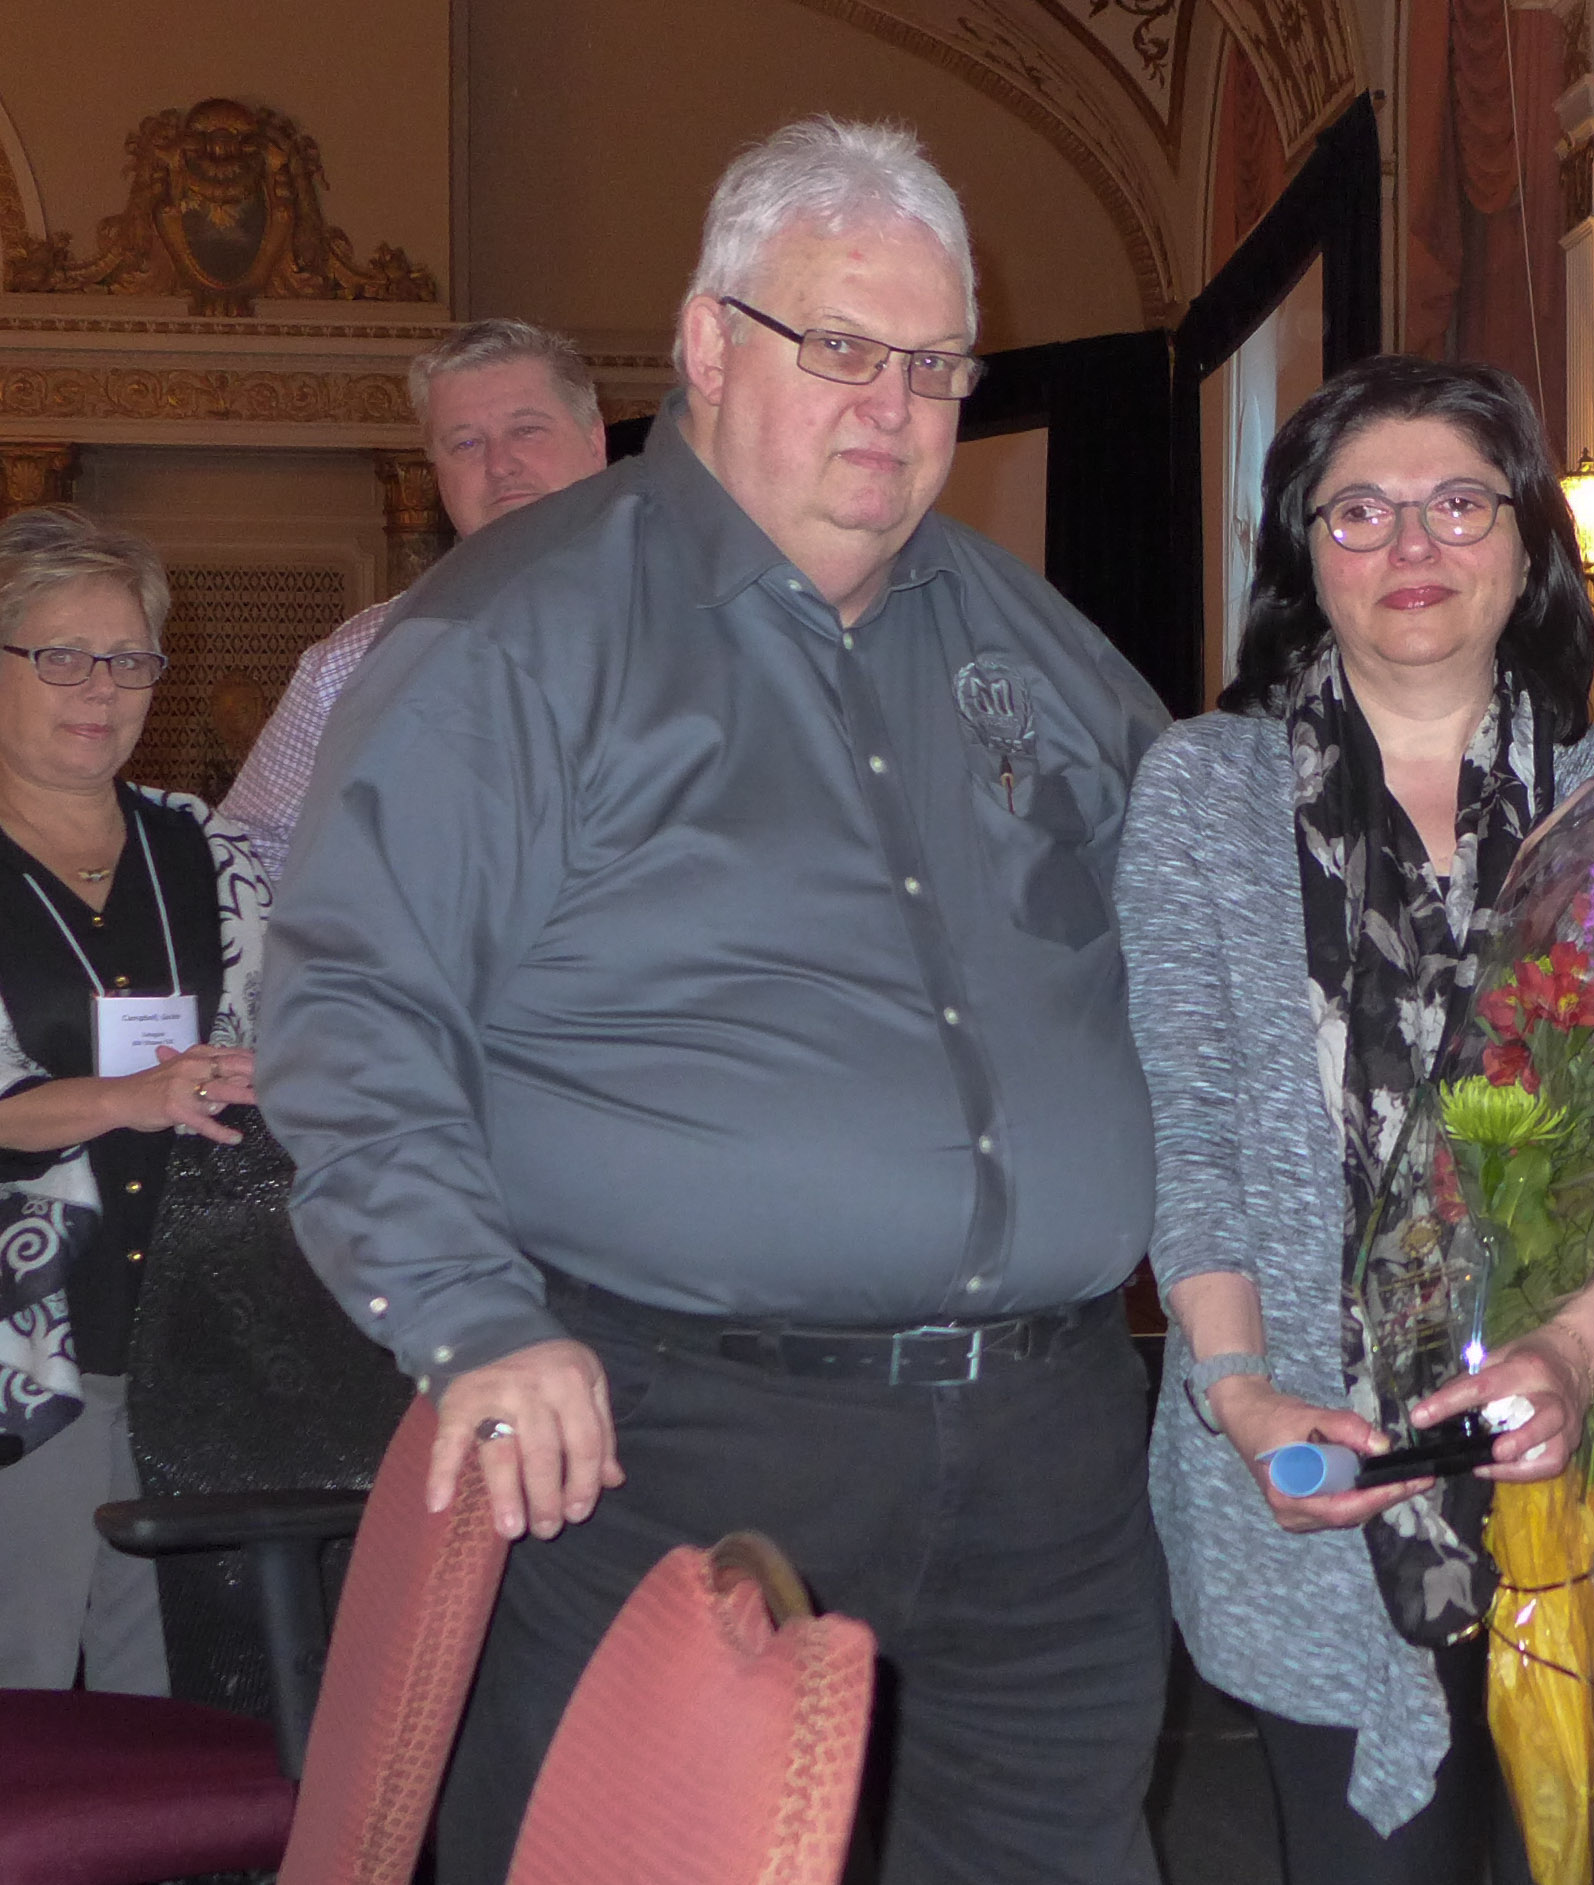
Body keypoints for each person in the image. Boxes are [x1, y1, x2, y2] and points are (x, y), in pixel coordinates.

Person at [257, 118, 1171, 1885]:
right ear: (702, 343)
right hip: (675, 1446)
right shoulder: (514, 635)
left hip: (1048, 1455)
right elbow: (354, 1002)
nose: (890, 406)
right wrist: (467, 1317)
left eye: (933, 365)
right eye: (837, 345)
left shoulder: (1036, 649)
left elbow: (1194, 967)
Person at [1115, 354, 1594, 1885]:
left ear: (1527, 541)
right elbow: (1195, 1125)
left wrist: (1578, 1345)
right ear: (1299, 556)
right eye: (1358, 512)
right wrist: (1238, 1399)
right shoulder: (1203, 793)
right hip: (1330, 1460)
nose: (1411, 548)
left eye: (1455, 504)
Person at [0, 505, 269, 1692]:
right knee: (22, 1690)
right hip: (25, 1354)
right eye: (60, 654)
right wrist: (132, 1096)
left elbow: (296, 1035)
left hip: (197, 1347)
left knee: (162, 1699)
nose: (99, 686)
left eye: (129, 658)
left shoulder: (210, 849)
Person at [220, 317, 608, 882]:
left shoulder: (708, 625)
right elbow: (254, 861)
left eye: (527, 430)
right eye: (466, 443)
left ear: (595, 441)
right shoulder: (354, 664)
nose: (499, 464)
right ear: (438, 475)